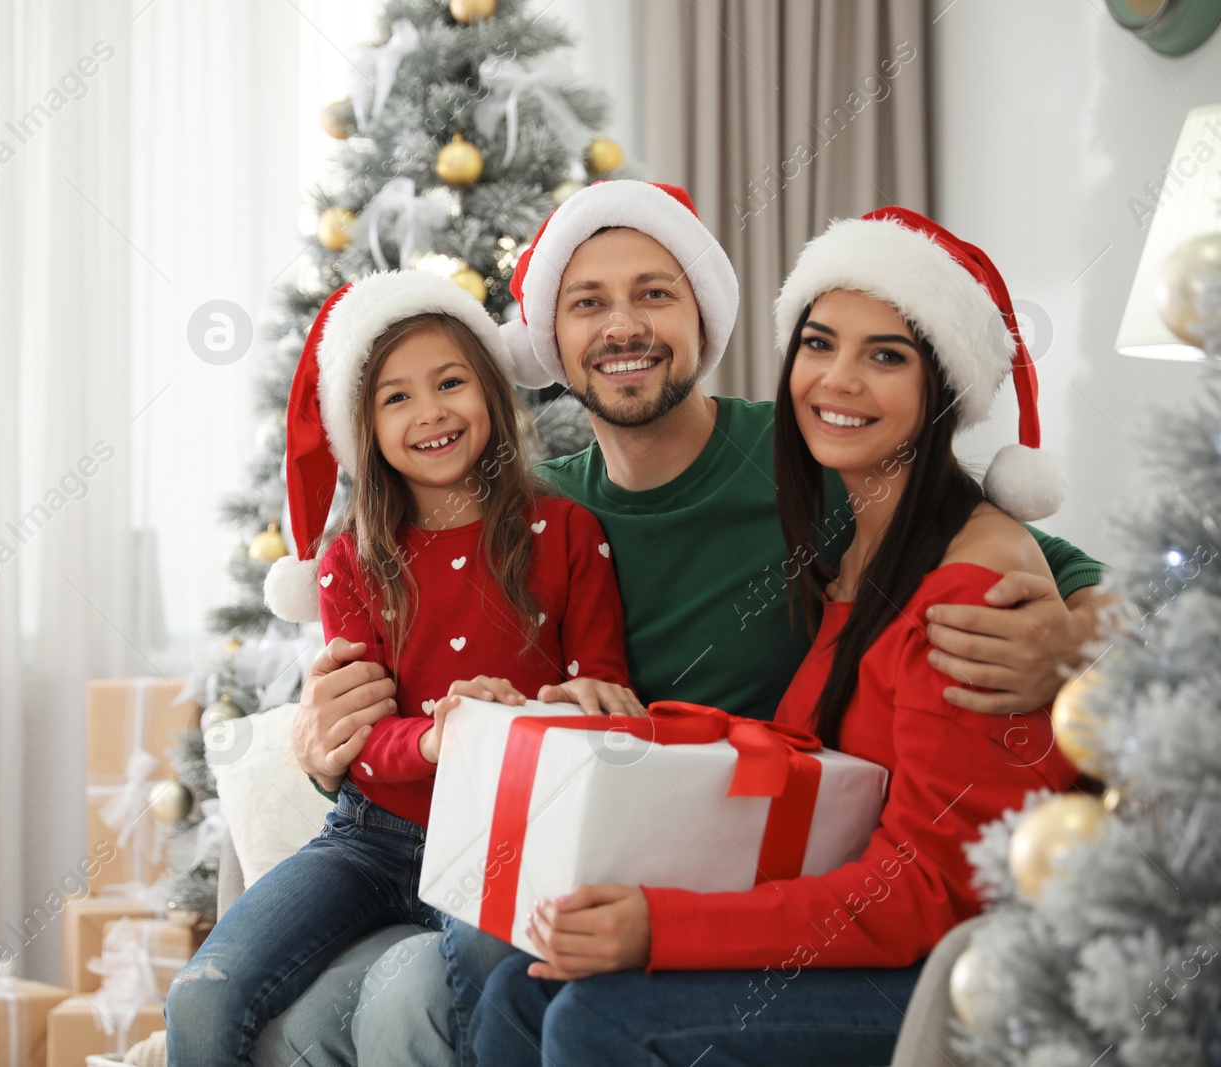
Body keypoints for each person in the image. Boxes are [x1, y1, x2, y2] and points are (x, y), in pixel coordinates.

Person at [261, 182, 1107, 1067]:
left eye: (655, 293)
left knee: (492, 981)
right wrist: (327, 746)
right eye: (588, 303)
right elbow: (420, 691)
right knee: (478, 982)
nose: (622, 325)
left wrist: (1071, 642)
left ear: (704, 318)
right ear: (551, 339)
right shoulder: (537, 523)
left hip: (774, 864)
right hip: (612, 844)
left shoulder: (821, 456)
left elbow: (1055, 572)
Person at [162, 270, 635, 1065]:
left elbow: (601, 697)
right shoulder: (352, 562)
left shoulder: (566, 531)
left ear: (488, 391)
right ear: (366, 429)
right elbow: (358, 738)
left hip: (504, 836)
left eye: (450, 382)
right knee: (203, 990)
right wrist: (433, 741)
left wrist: (513, 722)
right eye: (396, 398)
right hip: (370, 835)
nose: (431, 412)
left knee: (487, 965)